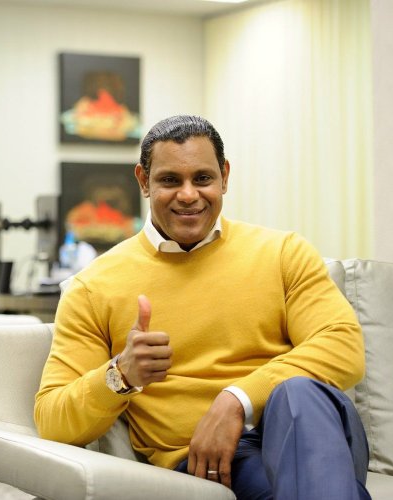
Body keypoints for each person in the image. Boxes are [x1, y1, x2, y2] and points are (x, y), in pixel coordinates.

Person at [34, 115, 370, 499]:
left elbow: (343, 346)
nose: (188, 195)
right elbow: (52, 421)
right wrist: (121, 374)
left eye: (203, 178)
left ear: (224, 176)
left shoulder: (283, 253)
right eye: (169, 180)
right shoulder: (93, 287)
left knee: (298, 394)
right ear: (143, 181)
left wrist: (236, 401)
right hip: (216, 461)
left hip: (317, 431)